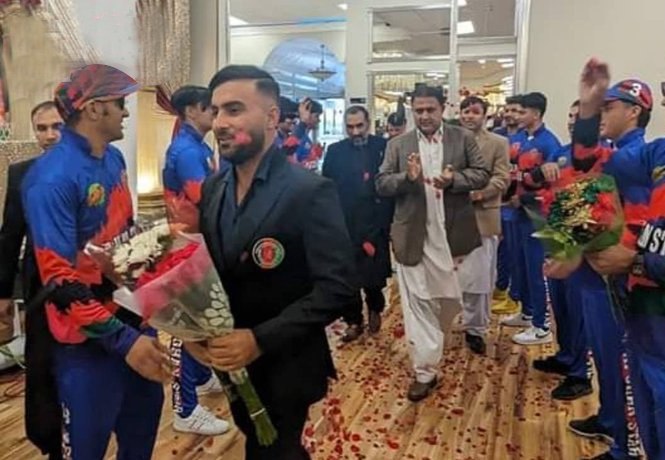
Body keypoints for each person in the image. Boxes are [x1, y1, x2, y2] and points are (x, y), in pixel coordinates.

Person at [191, 65, 357, 459]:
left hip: (287, 364)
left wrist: (259, 340)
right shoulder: (214, 188)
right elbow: (211, 271)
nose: (220, 123)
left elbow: (338, 288)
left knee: (276, 448)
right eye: (215, 111)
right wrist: (193, 331)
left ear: (271, 117)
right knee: (258, 441)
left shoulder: (309, 191)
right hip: (229, 362)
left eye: (234, 110)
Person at [22, 64, 170, 460]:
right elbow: (58, 281)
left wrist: (164, 296)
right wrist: (124, 342)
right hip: (86, 344)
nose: (126, 111)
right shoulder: (50, 178)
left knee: (140, 440)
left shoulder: (115, 159)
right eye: (119, 103)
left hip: (134, 323)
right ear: (93, 108)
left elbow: (127, 242)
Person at [546, 61, 652, 460]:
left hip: (620, 284)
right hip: (596, 278)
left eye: (609, 107)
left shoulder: (638, 155)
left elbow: (617, 219)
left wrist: (571, 250)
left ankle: (626, 446)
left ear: (634, 111)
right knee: (606, 360)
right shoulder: (615, 153)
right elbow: (584, 171)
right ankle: (610, 421)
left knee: (622, 366)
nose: (600, 114)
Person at [376, 84, 489, 402]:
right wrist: (407, 178)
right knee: (418, 305)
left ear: (443, 108)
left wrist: (455, 180)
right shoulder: (398, 144)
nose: (424, 116)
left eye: (430, 110)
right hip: (412, 236)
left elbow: (482, 173)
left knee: (449, 300)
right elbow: (382, 183)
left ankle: (432, 345)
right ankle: (425, 371)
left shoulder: (462, 138)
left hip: (452, 236)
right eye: (419, 110)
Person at [161, 85, 229, 436]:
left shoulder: (198, 146)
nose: (216, 116)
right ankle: (185, 409)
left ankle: (201, 378)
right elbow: (207, 198)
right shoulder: (187, 151)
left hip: (199, 241)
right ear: (191, 111)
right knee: (186, 327)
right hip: (187, 243)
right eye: (210, 110)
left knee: (201, 320)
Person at [0, 101, 62, 459]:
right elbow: (10, 236)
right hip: (39, 285)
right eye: (42, 128)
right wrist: (3, 294)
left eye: (57, 126)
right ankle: (48, 441)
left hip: (86, 284)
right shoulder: (21, 174)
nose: (50, 135)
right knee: (41, 364)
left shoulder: (93, 166)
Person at [532, 101, 593, 402]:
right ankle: (567, 356)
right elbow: (539, 182)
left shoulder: (603, 157)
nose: (571, 122)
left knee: (580, 313)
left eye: (578, 117)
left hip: (581, 250)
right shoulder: (562, 152)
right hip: (556, 240)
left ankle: (580, 374)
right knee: (562, 308)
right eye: (569, 116)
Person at [322, 105, 393, 341]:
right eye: (350, 127)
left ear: (368, 123)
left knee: (373, 276)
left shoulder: (383, 147)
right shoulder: (335, 151)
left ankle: (375, 308)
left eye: (359, 126)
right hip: (345, 224)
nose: (355, 132)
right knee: (347, 278)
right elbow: (326, 188)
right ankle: (353, 321)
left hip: (375, 222)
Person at [501, 92, 562, 346]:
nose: (516, 116)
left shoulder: (550, 143)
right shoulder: (517, 140)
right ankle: (527, 312)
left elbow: (554, 186)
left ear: (536, 114)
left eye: (522, 112)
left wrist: (526, 199)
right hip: (515, 213)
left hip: (537, 215)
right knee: (520, 266)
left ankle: (542, 325)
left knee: (537, 270)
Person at [458, 96, 510, 355]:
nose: (469, 116)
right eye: (465, 111)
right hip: (451, 218)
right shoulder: (448, 141)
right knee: (451, 277)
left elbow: (502, 178)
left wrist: (479, 194)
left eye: (475, 112)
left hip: (482, 216)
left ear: (485, 115)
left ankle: (475, 329)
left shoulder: (498, 143)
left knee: (479, 279)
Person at [492, 95, 523, 315]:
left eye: (516, 110)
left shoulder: (527, 139)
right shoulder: (498, 136)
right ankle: (500, 287)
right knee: (499, 249)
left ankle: (515, 295)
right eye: (508, 109)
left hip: (517, 204)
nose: (510, 114)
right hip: (496, 202)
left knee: (514, 252)